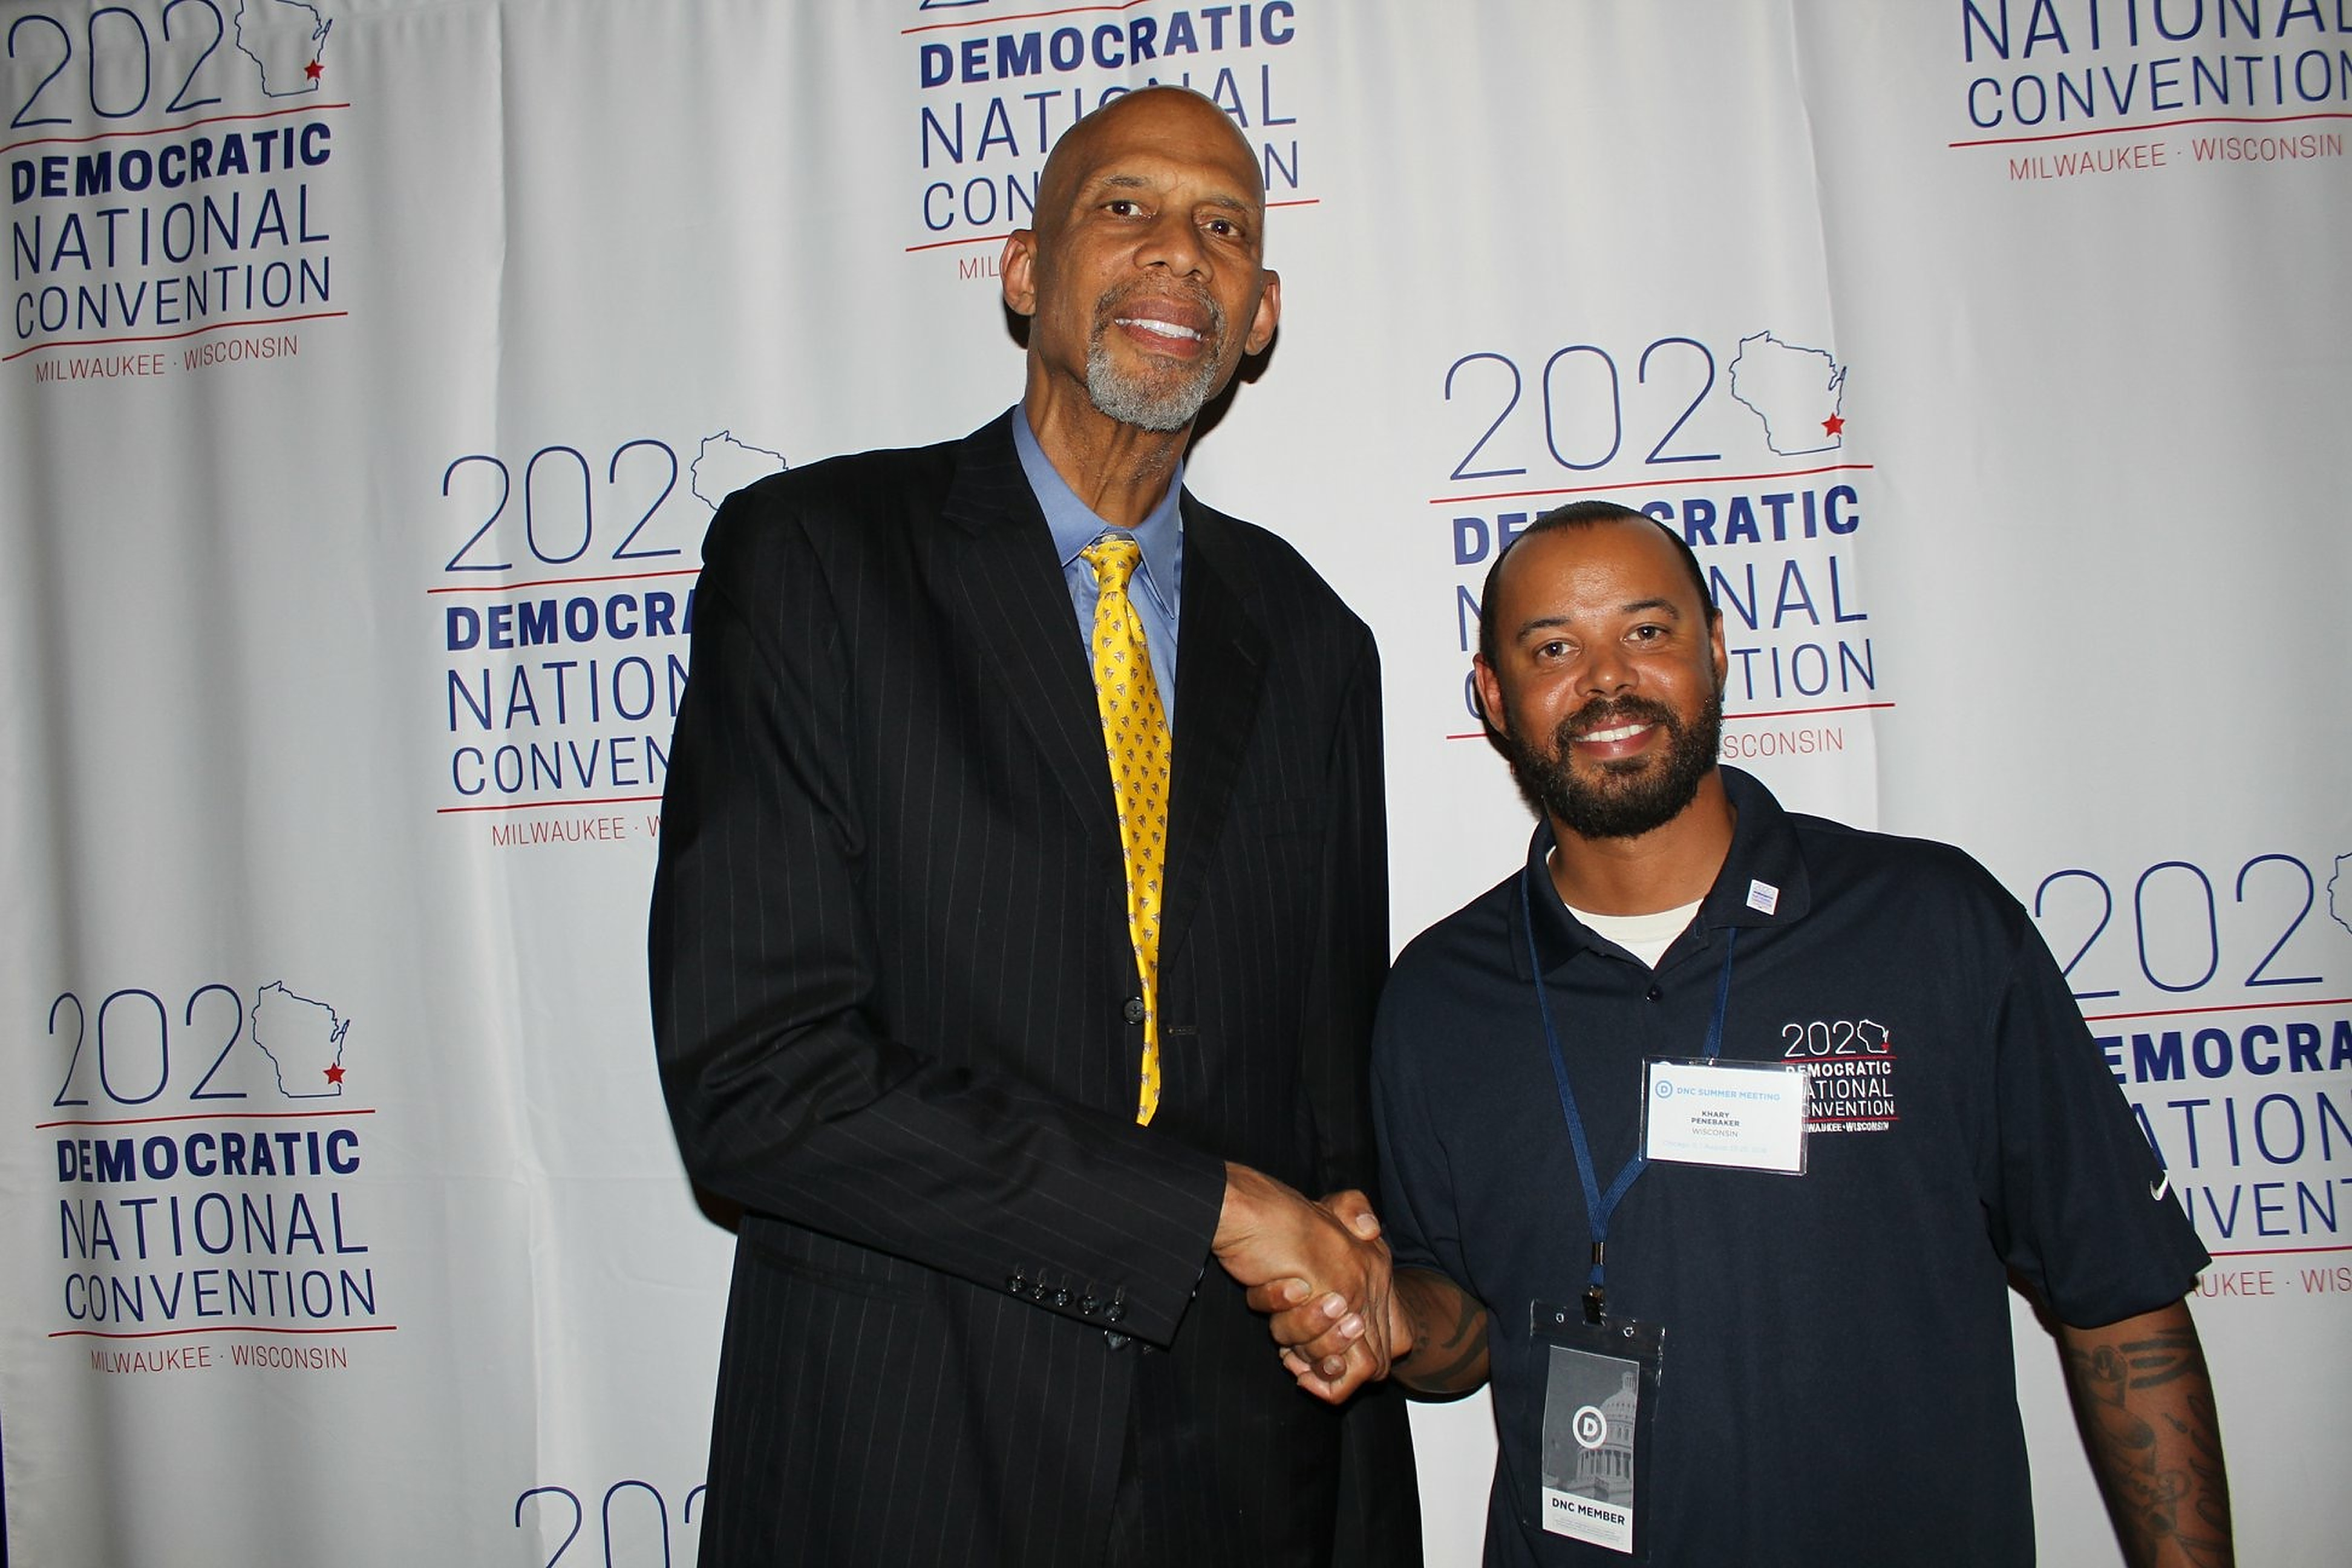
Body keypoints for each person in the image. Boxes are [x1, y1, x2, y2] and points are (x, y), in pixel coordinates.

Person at [649, 86, 1416, 1567]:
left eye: (1223, 230)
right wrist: (1205, 1208)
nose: (1178, 253)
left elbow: (1334, 1130)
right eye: (1124, 208)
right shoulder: (815, 563)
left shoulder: (1318, 646)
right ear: (1023, 271)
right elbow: (759, 1084)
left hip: (1243, 1482)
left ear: (1259, 315)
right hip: (902, 1455)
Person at [1258, 501, 2231, 1566]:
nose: (1607, 681)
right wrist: (1388, 1319)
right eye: (1553, 648)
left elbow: (2124, 1310)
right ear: (1494, 697)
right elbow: (1463, 1330)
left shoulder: (1932, 926)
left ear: (1715, 652)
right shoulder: (1439, 1000)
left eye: (1648, 631)